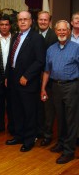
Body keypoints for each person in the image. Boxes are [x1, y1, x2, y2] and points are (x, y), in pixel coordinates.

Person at [5, 11, 45, 152]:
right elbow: (11, 59)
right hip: (13, 79)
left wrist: (27, 76)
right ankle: (19, 136)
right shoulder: (16, 36)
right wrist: (6, 77)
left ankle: (29, 140)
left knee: (29, 112)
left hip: (27, 81)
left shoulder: (36, 38)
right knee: (16, 110)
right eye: (20, 20)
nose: (22, 22)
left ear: (31, 21)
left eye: (25, 19)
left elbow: (40, 61)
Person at [41, 20, 79, 164]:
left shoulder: (76, 48)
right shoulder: (51, 49)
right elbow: (46, 71)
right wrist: (43, 88)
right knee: (60, 118)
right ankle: (61, 143)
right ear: (55, 31)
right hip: (55, 87)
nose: (62, 32)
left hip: (71, 87)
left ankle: (69, 151)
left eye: (65, 30)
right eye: (59, 30)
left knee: (71, 119)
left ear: (69, 32)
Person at [37, 11, 58, 145]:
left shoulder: (55, 36)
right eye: (41, 20)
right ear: (37, 20)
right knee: (37, 107)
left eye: (45, 20)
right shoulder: (32, 34)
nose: (43, 22)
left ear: (49, 21)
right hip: (34, 77)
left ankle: (47, 134)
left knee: (48, 109)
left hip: (48, 77)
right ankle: (38, 131)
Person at [0, 15, 14, 134]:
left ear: (10, 26)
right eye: (2, 25)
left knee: (11, 104)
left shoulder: (16, 39)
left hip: (12, 77)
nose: (4, 27)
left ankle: (12, 127)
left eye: (6, 24)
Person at [70, 11, 79, 146]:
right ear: (71, 22)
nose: (78, 20)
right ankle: (70, 136)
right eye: (76, 19)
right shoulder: (64, 35)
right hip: (70, 79)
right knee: (70, 109)